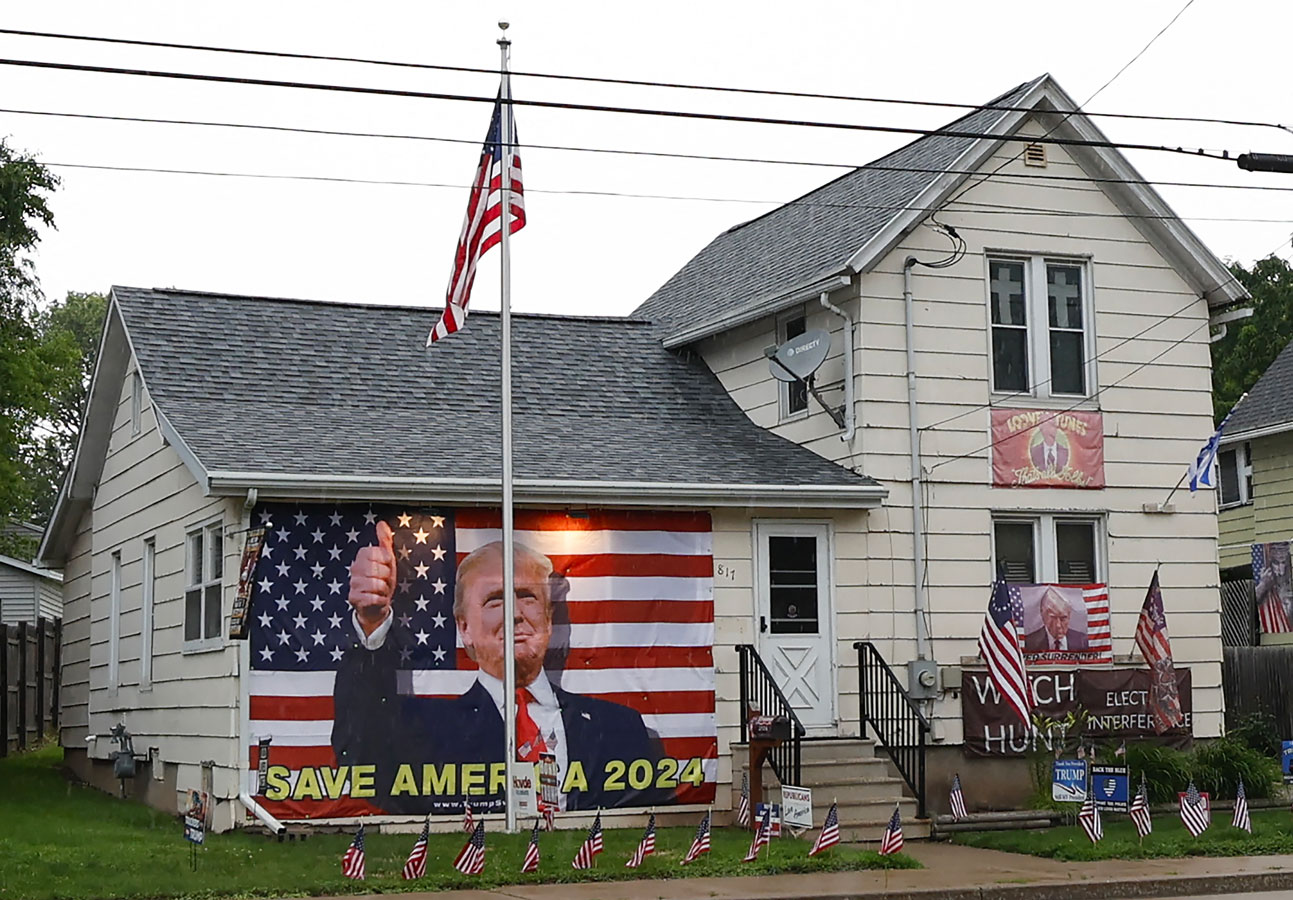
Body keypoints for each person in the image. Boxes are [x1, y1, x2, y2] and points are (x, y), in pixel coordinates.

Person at [331, 522, 666, 814]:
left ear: (548, 621)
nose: (515, 613)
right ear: (464, 628)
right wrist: (371, 623)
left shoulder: (621, 727)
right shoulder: (426, 731)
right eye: (495, 600)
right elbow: (362, 750)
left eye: (527, 596)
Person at [1024, 587, 1088, 652]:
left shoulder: (1082, 641)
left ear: (1069, 615)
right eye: (1053, 618)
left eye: (1063, 618)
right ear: (1043, 615)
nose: (1058, 625)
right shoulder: (1030, 642)